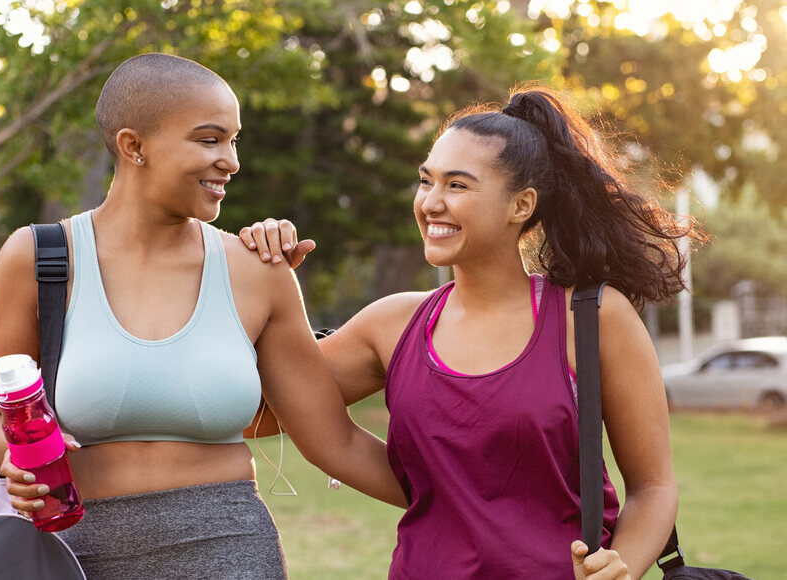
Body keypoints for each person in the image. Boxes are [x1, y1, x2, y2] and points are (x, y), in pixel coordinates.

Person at [0, 53, 405, 579]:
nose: (231, 161)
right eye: (208, 139)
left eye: (233, 140)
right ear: (134, 146)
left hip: (230, 549)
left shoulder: (258, 270)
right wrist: (18, 459)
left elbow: (332, 440)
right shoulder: (38, 259)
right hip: (74, 554)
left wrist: (470, 499)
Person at [241, 86, 697, 579]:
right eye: (425, 181)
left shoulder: (592, 316)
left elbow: (653, 489)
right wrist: (266, 287)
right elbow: (251, 416)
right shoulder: (391, 325)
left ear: (520, 205)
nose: (431, 203)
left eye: (457, 186)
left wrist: (620, 569)